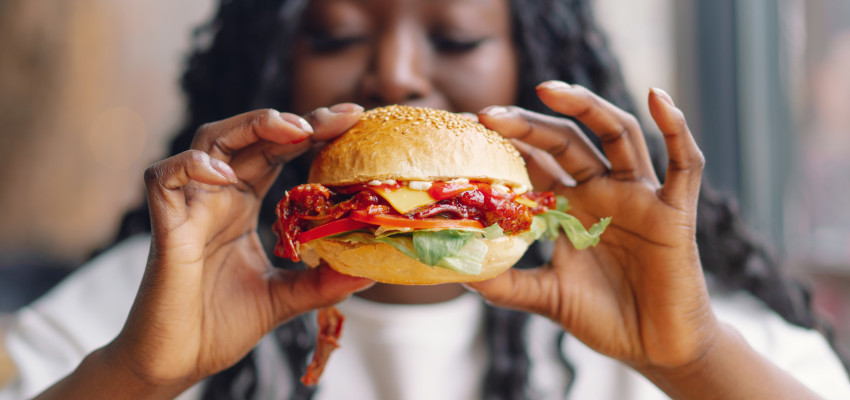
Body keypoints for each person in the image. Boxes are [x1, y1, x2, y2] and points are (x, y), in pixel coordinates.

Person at [2, 0, 849, 398]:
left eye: (455, 37)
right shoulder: (151, 300)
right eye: (335, 35)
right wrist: (135, 377)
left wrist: (691, 362)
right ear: (273, 68)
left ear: (531, 63)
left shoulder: (679, 309)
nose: (397, 73)